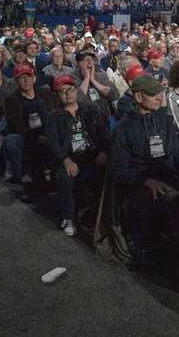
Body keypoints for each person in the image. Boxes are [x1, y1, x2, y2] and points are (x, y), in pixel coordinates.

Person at [109, 76, 179, 274]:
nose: (159, 98)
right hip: (140, 183)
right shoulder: (124, 129)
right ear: (139, 96)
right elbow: (118, 171)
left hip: (168, 175)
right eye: (154, 95)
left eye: (160, 94)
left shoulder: (164, 120)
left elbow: (176, 152)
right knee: (176, 204)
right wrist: (145, 181)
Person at [46, 75, 110, 237]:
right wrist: (66, 161)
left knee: (112, 170)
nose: (67, 93)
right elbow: (53, 143)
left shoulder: (90, 109)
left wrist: (104, 152)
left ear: (76, 90)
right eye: (62, 91)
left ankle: (108, 216)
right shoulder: (54, 116)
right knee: (65, 176)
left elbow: (105, 135)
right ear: (58, 95)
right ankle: (68, 217)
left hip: (92, 154)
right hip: (69, 156)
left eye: (70, 89)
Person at [2, 63, 59, 189]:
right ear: (17, 81)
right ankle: (23, 176)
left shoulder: (46, 93)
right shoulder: (11, 100)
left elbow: (57, 113)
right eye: (22, 77)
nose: (26, 80)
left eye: (28, 76)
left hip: (50, 132)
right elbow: (17, 125)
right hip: (27, 134)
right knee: (10, 141)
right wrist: (38, 137)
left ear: (34, 78)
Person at [72, 50, 118, 119]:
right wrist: (87, 78)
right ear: (78, 63)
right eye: (85, 60)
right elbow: (78, 99)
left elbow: (115, 95)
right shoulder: (72, 78)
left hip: (105, 116)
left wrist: (93, 81)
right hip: (85, 119)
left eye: (91, 59)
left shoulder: (101, 75)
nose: (89, 62)